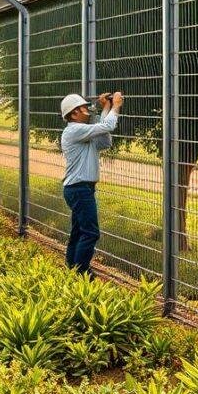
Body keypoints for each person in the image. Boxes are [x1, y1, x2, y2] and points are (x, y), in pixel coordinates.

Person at [59, 91, 123, 275]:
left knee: (79, 232)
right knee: (90, 233)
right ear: (73, 113)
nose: (87, 109)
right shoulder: (74, 130)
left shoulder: (83, 134)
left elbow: (104, 141)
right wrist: (115, 106)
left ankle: (72, 269)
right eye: (83, 107)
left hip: (80, 189)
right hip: (79, 189)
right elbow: (108, 125)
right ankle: (82, 273)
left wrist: (106, 108)